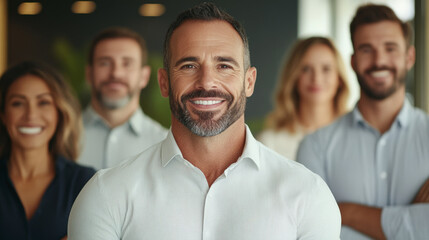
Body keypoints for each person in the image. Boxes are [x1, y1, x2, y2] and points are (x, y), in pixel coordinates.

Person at [68, 2, 340, 239]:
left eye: (224, 65)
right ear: (164, 83)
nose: (207, 81)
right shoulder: (106, 195)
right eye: (188, 66)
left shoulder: (308, 195)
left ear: (249, 81)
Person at [297, 4, 429, 240]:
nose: (379, 60)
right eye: (367, 50)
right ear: (353, 61)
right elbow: (311, 233)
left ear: (410, 57)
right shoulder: (316, 147)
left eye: (390, 48)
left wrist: (347, 213)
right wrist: (411, 220)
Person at [0, 61, 95, 240]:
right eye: (17, 103)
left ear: (59, 112)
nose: (31, 115)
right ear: (3, 114)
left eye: (43, 102)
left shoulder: (84, 182)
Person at [78, 27, 167, 170]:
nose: (116, 73)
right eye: (105, 63)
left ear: (144, 76)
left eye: (127, 63)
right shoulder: (61, 136)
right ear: (89, 74)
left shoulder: (164, 143)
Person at [258, 36, 349, 160]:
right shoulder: (269, 143)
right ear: (294, 77)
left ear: (339, 78)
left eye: (326, 69)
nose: (316, 78)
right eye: (306, 69)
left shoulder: (355, 137)